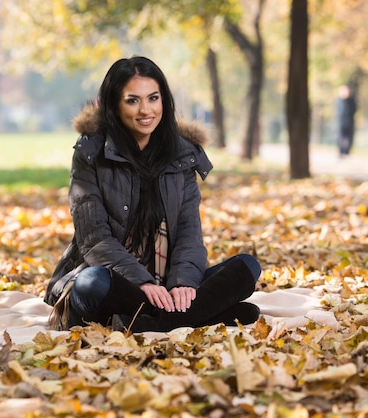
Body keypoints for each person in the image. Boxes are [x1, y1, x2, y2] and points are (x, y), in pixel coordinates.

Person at [44, 56, 261, 332]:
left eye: (153, 98)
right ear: (114, 105)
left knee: (247, 266)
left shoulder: (183, 155)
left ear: (164, 101)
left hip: (166, 281)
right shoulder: (90, 154)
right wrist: (142, 282)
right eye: (132, 100)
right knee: (91, 284)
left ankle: (153, 320)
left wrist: (182, 283)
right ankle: (200, 313)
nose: (145, 110)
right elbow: (94, 240)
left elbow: (188, 232)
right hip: (115, 280)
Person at [336, 84, 357, 157]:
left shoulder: (351, 101)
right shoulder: (339, 100)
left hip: (349, 122)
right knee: (340, 137)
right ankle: (341, 151)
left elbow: (354, 110)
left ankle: (346, 151)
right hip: (341, 122)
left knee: (348, 137)